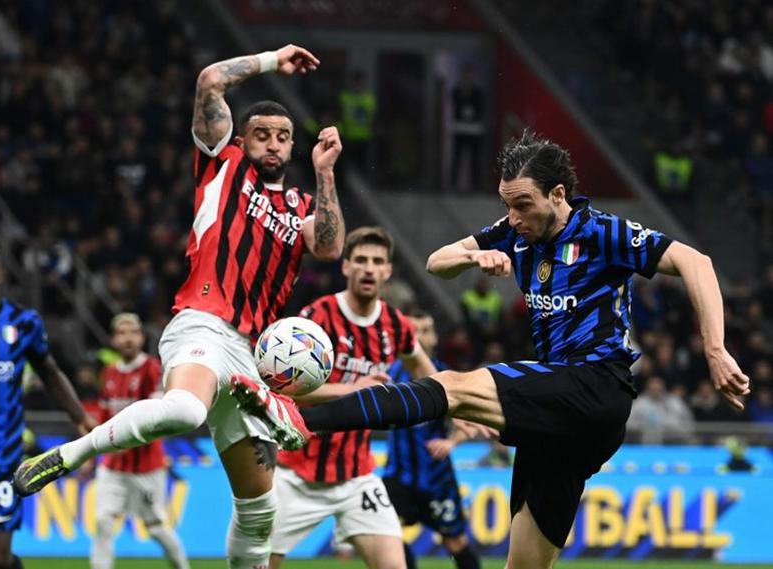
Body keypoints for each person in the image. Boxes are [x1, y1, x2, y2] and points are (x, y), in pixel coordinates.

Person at [230, 131, 750, 569]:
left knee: (453, 385)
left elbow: (696, 262)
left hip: (595, 385)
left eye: (523, 204)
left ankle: (297, 421)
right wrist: (475, 259)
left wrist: (715, 349)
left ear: (558, 194)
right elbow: (437, 260)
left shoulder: (602, 232)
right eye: (507, 205)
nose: (514, 216)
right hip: (559, 417)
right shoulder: (514, 232)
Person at [14, 44, 346, 569]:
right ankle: (67, 455)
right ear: (241, 139)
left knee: (261, 509)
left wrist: (326, 174)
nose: (273, 145)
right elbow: (211, 80)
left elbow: (329, 248)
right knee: (186, 409)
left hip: (255, 355)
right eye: (262, 134)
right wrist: (272, 59)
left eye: (283, 138)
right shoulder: (222, 165)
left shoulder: (302, 205)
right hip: (203, 323)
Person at [270, 227, 435, 569]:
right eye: (360, 260)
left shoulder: (395, 324)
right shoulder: (316, 319)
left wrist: (461, 410)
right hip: (298, 474)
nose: (369, 268)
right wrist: (354, 389)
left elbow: (427, 372)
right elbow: (284, 388)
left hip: (357, 477)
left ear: (388, 271)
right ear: (345, 267)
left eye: (378, 262)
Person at [0, 244, 97, 569]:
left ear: (0, 274)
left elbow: (51, 373)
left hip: (2, 457)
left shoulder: (23, 322)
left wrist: (80, 417)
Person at [88, 313, 189, 569]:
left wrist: (127, 441)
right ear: (113, 340)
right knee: (102, 521)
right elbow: (103, 418)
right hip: (113, 467)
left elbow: (156, 418)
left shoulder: (152, 369)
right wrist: (91, 455)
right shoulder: (108, 373)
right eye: (121, 333)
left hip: (146, 466)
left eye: (133, 332)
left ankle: (182, 566)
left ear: (142, 337)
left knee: (155, 527)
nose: (128, 338)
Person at [382, 309, 480, 569]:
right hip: (398, 476)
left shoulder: (445, 378)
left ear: (435, 338)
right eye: (413, 331)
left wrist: (451, 442)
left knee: (455, 543)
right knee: (383, 536)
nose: (418, 337)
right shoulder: (389, 373)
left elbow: (468, 423)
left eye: (425, 330)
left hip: (437, 479)